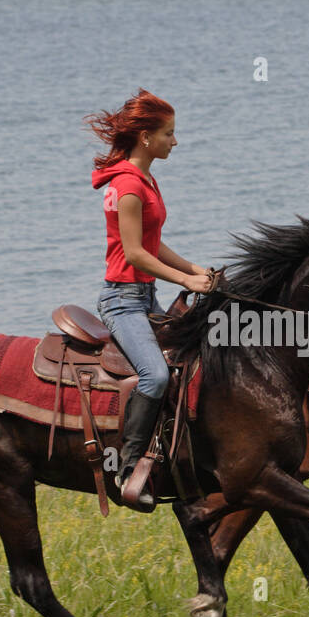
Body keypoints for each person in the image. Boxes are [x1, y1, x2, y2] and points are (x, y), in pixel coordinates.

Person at [86, 89, 214, 507]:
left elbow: (151, 244)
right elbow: (135, 252)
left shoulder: (145, 179)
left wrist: (193, 269)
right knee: (155, 376)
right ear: (145, 137)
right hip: (122, 300)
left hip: (145, 294)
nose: (174, 142)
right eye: (169, 134)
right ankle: (128, 466)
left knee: (187, 366)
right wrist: (186, 281)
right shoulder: (126, 184)